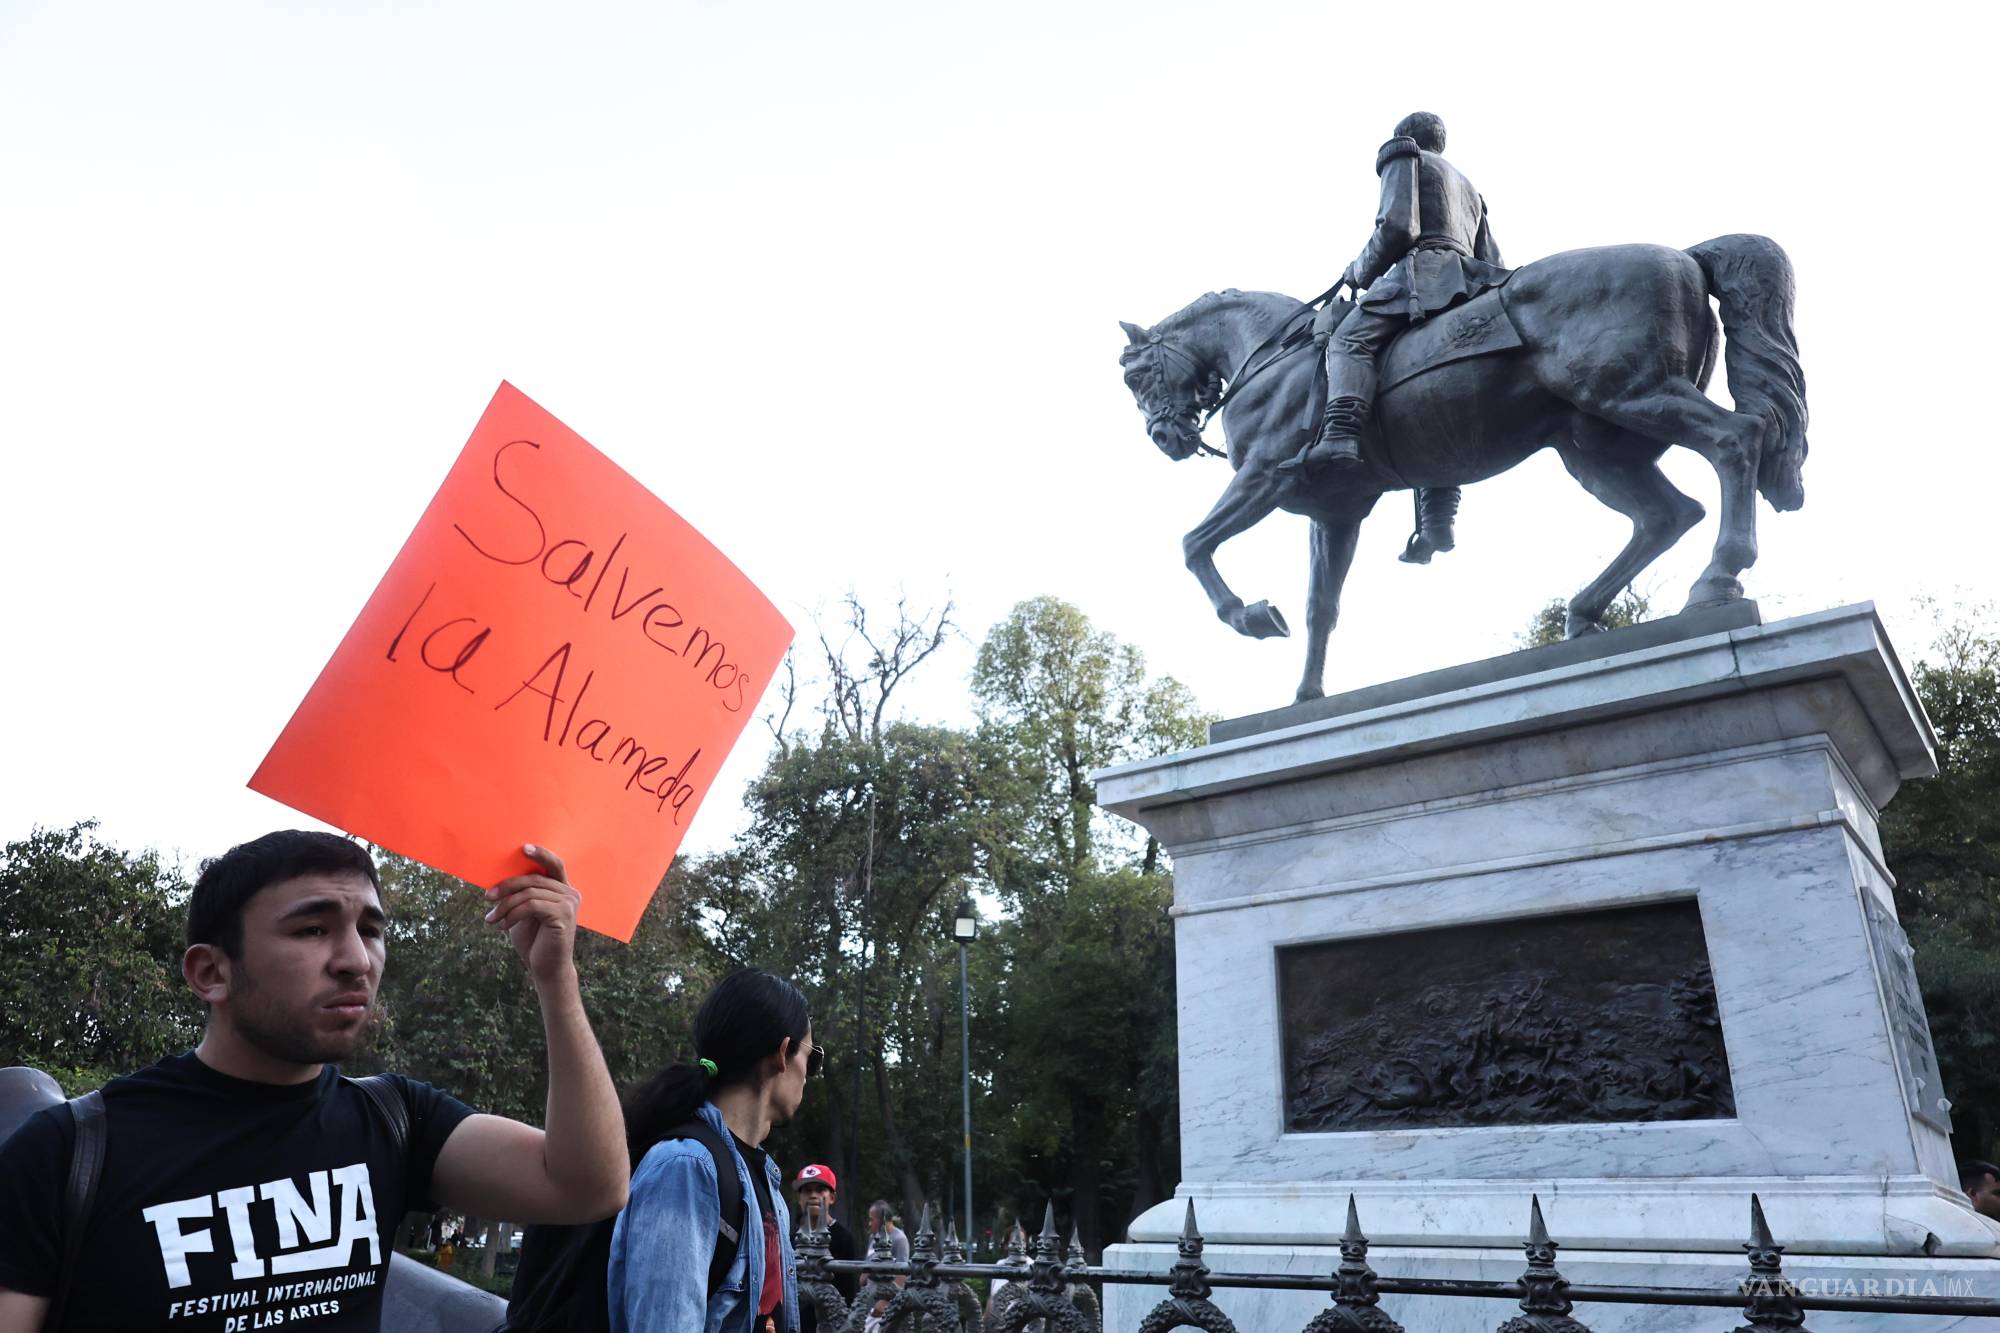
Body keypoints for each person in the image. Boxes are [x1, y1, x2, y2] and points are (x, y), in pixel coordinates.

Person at [0, 829, 628, 1333]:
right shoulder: (67, 1151)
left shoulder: (396, 1118)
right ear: (210, 972)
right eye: (313, 928)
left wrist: (555, 978)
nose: (356, 959)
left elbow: (589, 1187)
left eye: (372, 930)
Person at [1289, 110, 1507, 563]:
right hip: (1471, 282)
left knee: (1347, 341)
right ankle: (1437, 519)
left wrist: (1359, 269)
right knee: (1433, 398)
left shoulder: (1401, 155)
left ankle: (1341, 435)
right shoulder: (1471, 190)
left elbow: (1397, 227)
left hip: (1422, 272)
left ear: (1405, 135)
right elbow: (1494, 257)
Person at [608, 968, 816, 1333]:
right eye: (812, 1059)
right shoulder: (686, 1168)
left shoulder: (766, 1183)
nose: (810, 1074)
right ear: (783, 1053)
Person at [789, 1164, 857, 1333]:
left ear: (832, 1197)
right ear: (799, 1198)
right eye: (807, 1190)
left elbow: (849, 1291)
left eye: (820, 1190)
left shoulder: (844, 1239)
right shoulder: (792, 1239)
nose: (813, 1195)